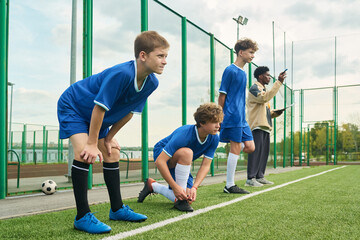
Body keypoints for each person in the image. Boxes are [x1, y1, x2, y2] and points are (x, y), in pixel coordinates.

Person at [57, 31, 169, 234]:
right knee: (84, 152)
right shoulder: (122, 74)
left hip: (94, 115)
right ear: (143, 55)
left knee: (112, 153)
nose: (165, 61)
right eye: (160, 56)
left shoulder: (152, 82)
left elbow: (129, 113)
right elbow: (99, 108)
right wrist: (92, 143)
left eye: (166, 56)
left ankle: (117, 209)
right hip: (74, 106)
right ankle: (82, 216)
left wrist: (108, 138)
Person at [137, 103, 223, 212]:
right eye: (215, 122)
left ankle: (152, 186)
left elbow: (206, 165)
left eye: (219, 122)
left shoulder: (214, 138)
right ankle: (181, 202)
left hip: (180, 160)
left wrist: (194, 187)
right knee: (187, 153)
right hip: (162, 154)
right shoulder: (185, 134)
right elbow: (160, 161)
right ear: (202, 122)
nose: (218, 126)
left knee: (189, 198)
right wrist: (174, 187)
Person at [218, 38, 257, 194]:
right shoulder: (230, 70)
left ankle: (231, 159)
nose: (253, 56)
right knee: (235, 147)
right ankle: (229, 184)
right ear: (241, 52)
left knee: (250, 147)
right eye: (251, 52)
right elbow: (222, 95)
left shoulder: (243, 72)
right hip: (232, 115)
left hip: (241, 117)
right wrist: (219, 115)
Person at [245, 66, 287, 187]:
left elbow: (264, 110)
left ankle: (260, 176)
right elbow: (264, 98)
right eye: (267, 75)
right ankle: (250, 178)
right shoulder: (254, 88)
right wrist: (278, 82)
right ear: (260, 76)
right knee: (256, 152)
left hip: (265, 127)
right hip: (257, 126)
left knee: (263, 153)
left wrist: (275, 113)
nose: (269, 77)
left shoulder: (262, 89)